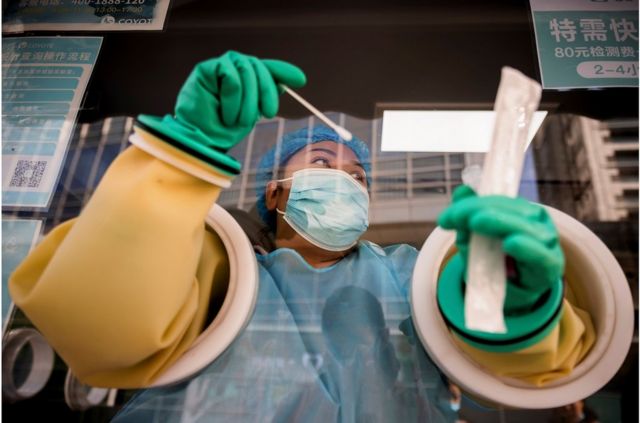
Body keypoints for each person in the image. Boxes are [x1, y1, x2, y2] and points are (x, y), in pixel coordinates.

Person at [9, 51, 595, 422]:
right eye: (322, 163)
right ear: (274, 192)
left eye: (358, 178)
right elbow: (103, 324)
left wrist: (509, 300)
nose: (345, 183)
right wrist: (180, 157)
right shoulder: (223, 272)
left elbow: (515, 372)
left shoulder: (412, 272)